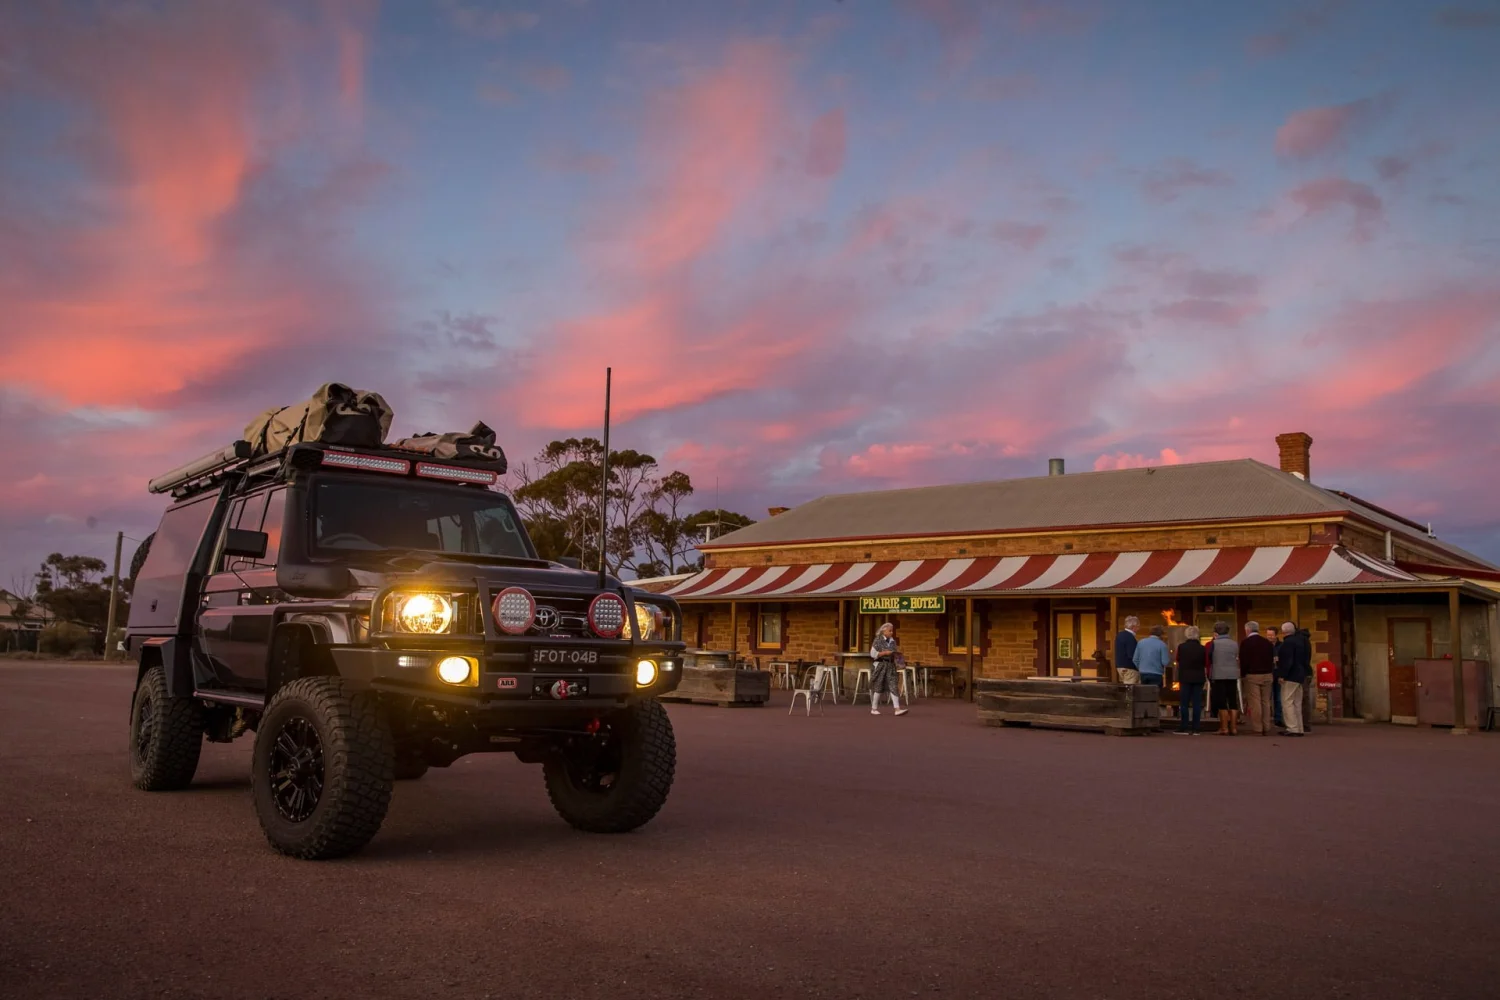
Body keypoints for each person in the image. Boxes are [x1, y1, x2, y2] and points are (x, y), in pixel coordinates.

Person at [1275, 620, 1312, 736]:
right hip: (1301, 675)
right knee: (1297, 703)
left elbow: (1287, 661)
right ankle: (1299, 727)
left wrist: (1282, 675)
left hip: (1290, 676)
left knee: (1287, 702)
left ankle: (1292, 728)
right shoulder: (1302, 641)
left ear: (1283, 631)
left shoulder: (1287, 643)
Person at [1240, 620, 1276, 736]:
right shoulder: (1267, 643)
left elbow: (1243, 661)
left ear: (1248, 630)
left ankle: (1258, 728)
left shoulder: (1246, 643)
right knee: (1266, 702)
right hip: (1267, 674)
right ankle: (1266, 726)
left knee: (1255, 703)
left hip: (1253, 675)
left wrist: (1243, 674)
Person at [1206, 621, 1241, 735]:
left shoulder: (1214, 643)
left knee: (1221, 701)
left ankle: (1224, 728)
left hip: (1218, 674)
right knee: (1232, 700)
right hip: (1232, 674)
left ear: (1216, 632)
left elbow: (1209, 657)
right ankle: (1234, 728)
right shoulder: (1234, 643)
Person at [868, 622, 908, 717]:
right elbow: (872, 654)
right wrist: (885, 653)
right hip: (881, 665)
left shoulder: (893, 641)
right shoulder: (878, 640)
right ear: (884, 631)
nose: (891, 632)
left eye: (892, 630)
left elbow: (894, 652)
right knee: (879, 686)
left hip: (891, 665)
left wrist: (899, 659)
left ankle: (897, 709)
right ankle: (874, 709)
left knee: (893, 685)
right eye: (890, 631)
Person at [1174, 626, 1207, 734]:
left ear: (1186, 635)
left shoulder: (1181, 647)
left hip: (1185, 677)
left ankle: (1183, 726)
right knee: (1197, 703)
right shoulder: (1202, 648)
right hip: (1198, 677)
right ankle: (1196, 727)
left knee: (1184, 703)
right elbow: (1205, 662)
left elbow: (1177, 660)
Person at [1132, 624, 1170, 688]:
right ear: (1161, 634)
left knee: (1144, 692)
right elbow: (1165, 662)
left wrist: (1141, 668)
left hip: (1143, 674)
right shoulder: (1162, 644)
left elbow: (1135, 659)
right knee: (1155, 693)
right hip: (1156, 674)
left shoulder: (1141, 642)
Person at [1115, 616, 1141, 684]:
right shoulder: (1130, 637)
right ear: (1133, 626)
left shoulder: (1119, 635)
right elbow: (1132, 654)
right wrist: (1139, 666)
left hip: (1120, 666)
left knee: (1127, 686)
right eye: (1138, 626)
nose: (1138, 629)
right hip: (1129, 668)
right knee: (1130, 688)